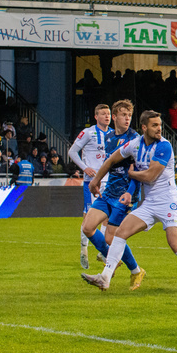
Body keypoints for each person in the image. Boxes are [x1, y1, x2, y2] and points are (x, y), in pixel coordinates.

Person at [82, 110, 177, 295]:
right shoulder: (135, 144)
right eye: (154, 125)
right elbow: (111, 159)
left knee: (175, 243)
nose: (159, 129)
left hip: (168, 202)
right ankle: (105, 277)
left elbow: (150, 175)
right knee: (120, 233)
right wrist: (95, 180)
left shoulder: (164, 146)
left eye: (159, 125)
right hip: (150, 203)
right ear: (144, 128)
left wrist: (131, 174)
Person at [81, 100, 145, 290]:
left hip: (125, 195)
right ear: (115, 117)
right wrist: (98, 179)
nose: (127, 118)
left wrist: (130, 193)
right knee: (87, 227)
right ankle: (115, 260)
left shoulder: (134, 138)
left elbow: (137, 171)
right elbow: (108, 163)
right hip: (109, 190)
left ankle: (135, 270)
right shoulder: (108, 138)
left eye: (129, 115)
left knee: (111, 237)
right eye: (123, 115)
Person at [68, 104, 113, 270]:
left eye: (108, 114)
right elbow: (72, 152)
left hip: (110, 181)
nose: (107, 116)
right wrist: (84, 167)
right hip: (92, 182)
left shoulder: (114, 134)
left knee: (108, 217)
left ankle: (102, 251)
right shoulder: (88, 133)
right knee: (88, 217)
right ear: (96, 116)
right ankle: (83, 250)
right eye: (103, 114)